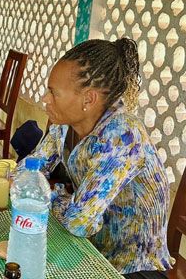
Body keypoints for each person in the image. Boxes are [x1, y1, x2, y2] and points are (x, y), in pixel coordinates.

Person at [20, 38, 173, 278]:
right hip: (91, 247)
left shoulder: (122, 135)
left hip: (131, 266)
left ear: (88, 99)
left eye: (53, 92)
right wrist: (42, 188)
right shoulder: (64, 126)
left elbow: (78, 221)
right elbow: (28, 169)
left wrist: (51, 192)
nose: (45, 98)